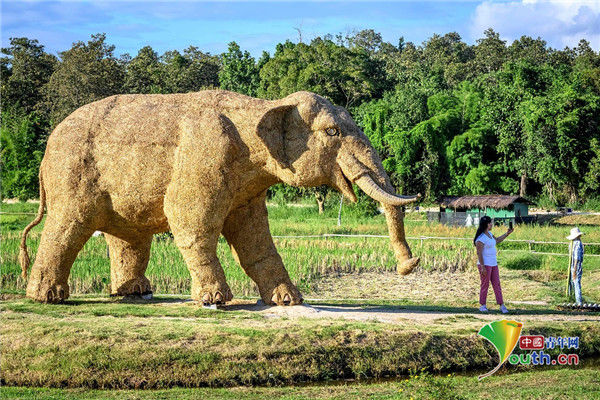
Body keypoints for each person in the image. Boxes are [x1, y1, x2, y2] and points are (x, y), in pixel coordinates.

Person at [474, 216, 514, 313]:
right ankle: (482, 305)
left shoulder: (490, 234)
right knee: (485, 284)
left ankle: (501, 305)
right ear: (486, 224)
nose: (492, 224)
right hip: (485, 264)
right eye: (490, 223)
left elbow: (497, 240)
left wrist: (507, 234)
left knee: (497, 284)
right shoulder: (481, 239)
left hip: (493, 263)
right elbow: (479, 253)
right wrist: (482, 267)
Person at [567, 227, 584, 306]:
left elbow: (576, 258)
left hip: (576, 265)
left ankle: (578, 302)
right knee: (572, 282)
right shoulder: (574, 243)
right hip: (573, 264)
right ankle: (572, 298)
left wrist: (574, 270)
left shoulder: (577, 244)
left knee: (576, 282)